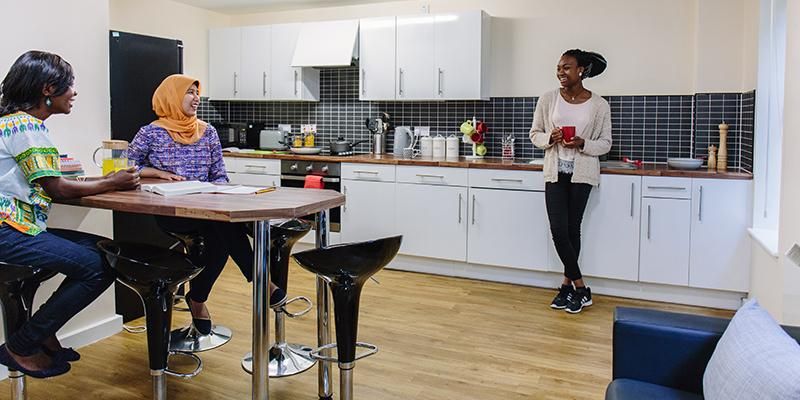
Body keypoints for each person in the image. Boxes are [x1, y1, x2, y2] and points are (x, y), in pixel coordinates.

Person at [0, 50, 139, 377]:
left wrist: (103, 181)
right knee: (99, 267)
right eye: (69, 85)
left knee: (102, 248)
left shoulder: (12, 123)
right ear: (48, 89)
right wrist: (111, 181)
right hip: (7, 231)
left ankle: (45, 331)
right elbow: (57, 189)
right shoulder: (25, 125)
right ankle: (21, 345)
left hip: (17, 227)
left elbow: (49, 180)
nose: (74, 92)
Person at [128, 74, 286, 335]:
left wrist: (224, 191)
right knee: (225, 230)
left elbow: (219, 174)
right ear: (171, 97)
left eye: (197, 92)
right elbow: (127, 166)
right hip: (174, 211)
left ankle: (198, 298)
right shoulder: (150, 133)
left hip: (208, 206)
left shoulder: (207, 131)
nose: (196, 98)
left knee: (221, 233)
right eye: (189, 92)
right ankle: (259, 281)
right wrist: (155, 173)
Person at [529, 49, 612, 314]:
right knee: (558, 229)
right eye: (558, 67)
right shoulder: (548, 99)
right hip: (555, 171)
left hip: (582, 173)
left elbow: (605, 144)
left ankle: (566, 287)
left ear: (581, 71)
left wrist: (583, 143)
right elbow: (534, 134)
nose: (560, 73)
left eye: (566, 67)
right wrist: (549, 139)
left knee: (572, 228)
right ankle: (580, 287)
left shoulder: (599, 105)